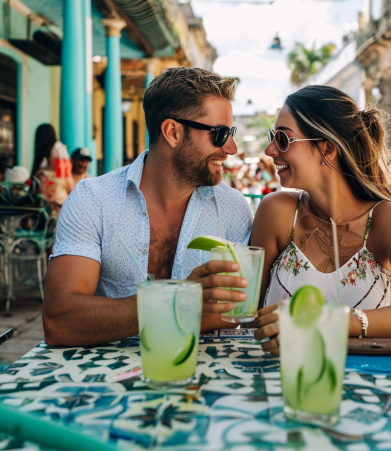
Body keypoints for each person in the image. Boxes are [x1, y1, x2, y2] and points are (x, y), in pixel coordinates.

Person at [43, 67, 253, 347]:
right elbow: (60, 321)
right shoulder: (92, 200)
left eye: (231, 132)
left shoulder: (234, 209)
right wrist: (181, 299)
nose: (231, 148)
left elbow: (232, 314)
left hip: (203, 380)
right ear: (172, 132)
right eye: (220, 133)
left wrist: (121, 313)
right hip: (106, 383)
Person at [251, 86, 391, 356]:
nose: (270, 150)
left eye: (283, 139)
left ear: (327, 148)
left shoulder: (388, 221)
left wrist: (326, 320)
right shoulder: (276, 212)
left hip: (370, 382)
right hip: (279, 380)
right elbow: (248, 314)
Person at [31, 124, 74, 212]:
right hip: (49, 196)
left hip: (56, 196)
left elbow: (64, 175)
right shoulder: (52, 151)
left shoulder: (58, 148)